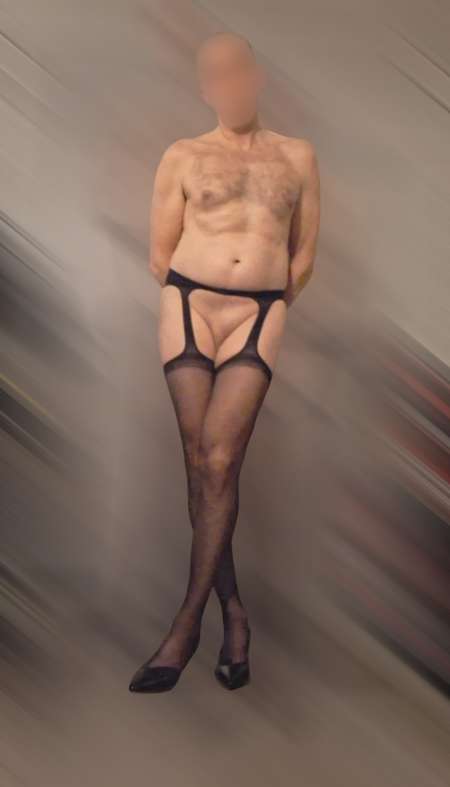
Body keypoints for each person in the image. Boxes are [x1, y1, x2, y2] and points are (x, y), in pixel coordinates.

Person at [129, 31, 320, 692]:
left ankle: (186, 625)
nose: (228, 82)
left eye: (237, 69)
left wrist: (267, 300)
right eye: (215, 74)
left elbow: (303, 252)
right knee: (199, 459)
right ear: (205, 87)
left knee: (218, 459)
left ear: (256, 76)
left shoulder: (297, 156)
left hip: (258, 313)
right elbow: (160, 254)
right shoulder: (183, 155)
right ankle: (234, 613)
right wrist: (201, 291)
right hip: (190, 305)